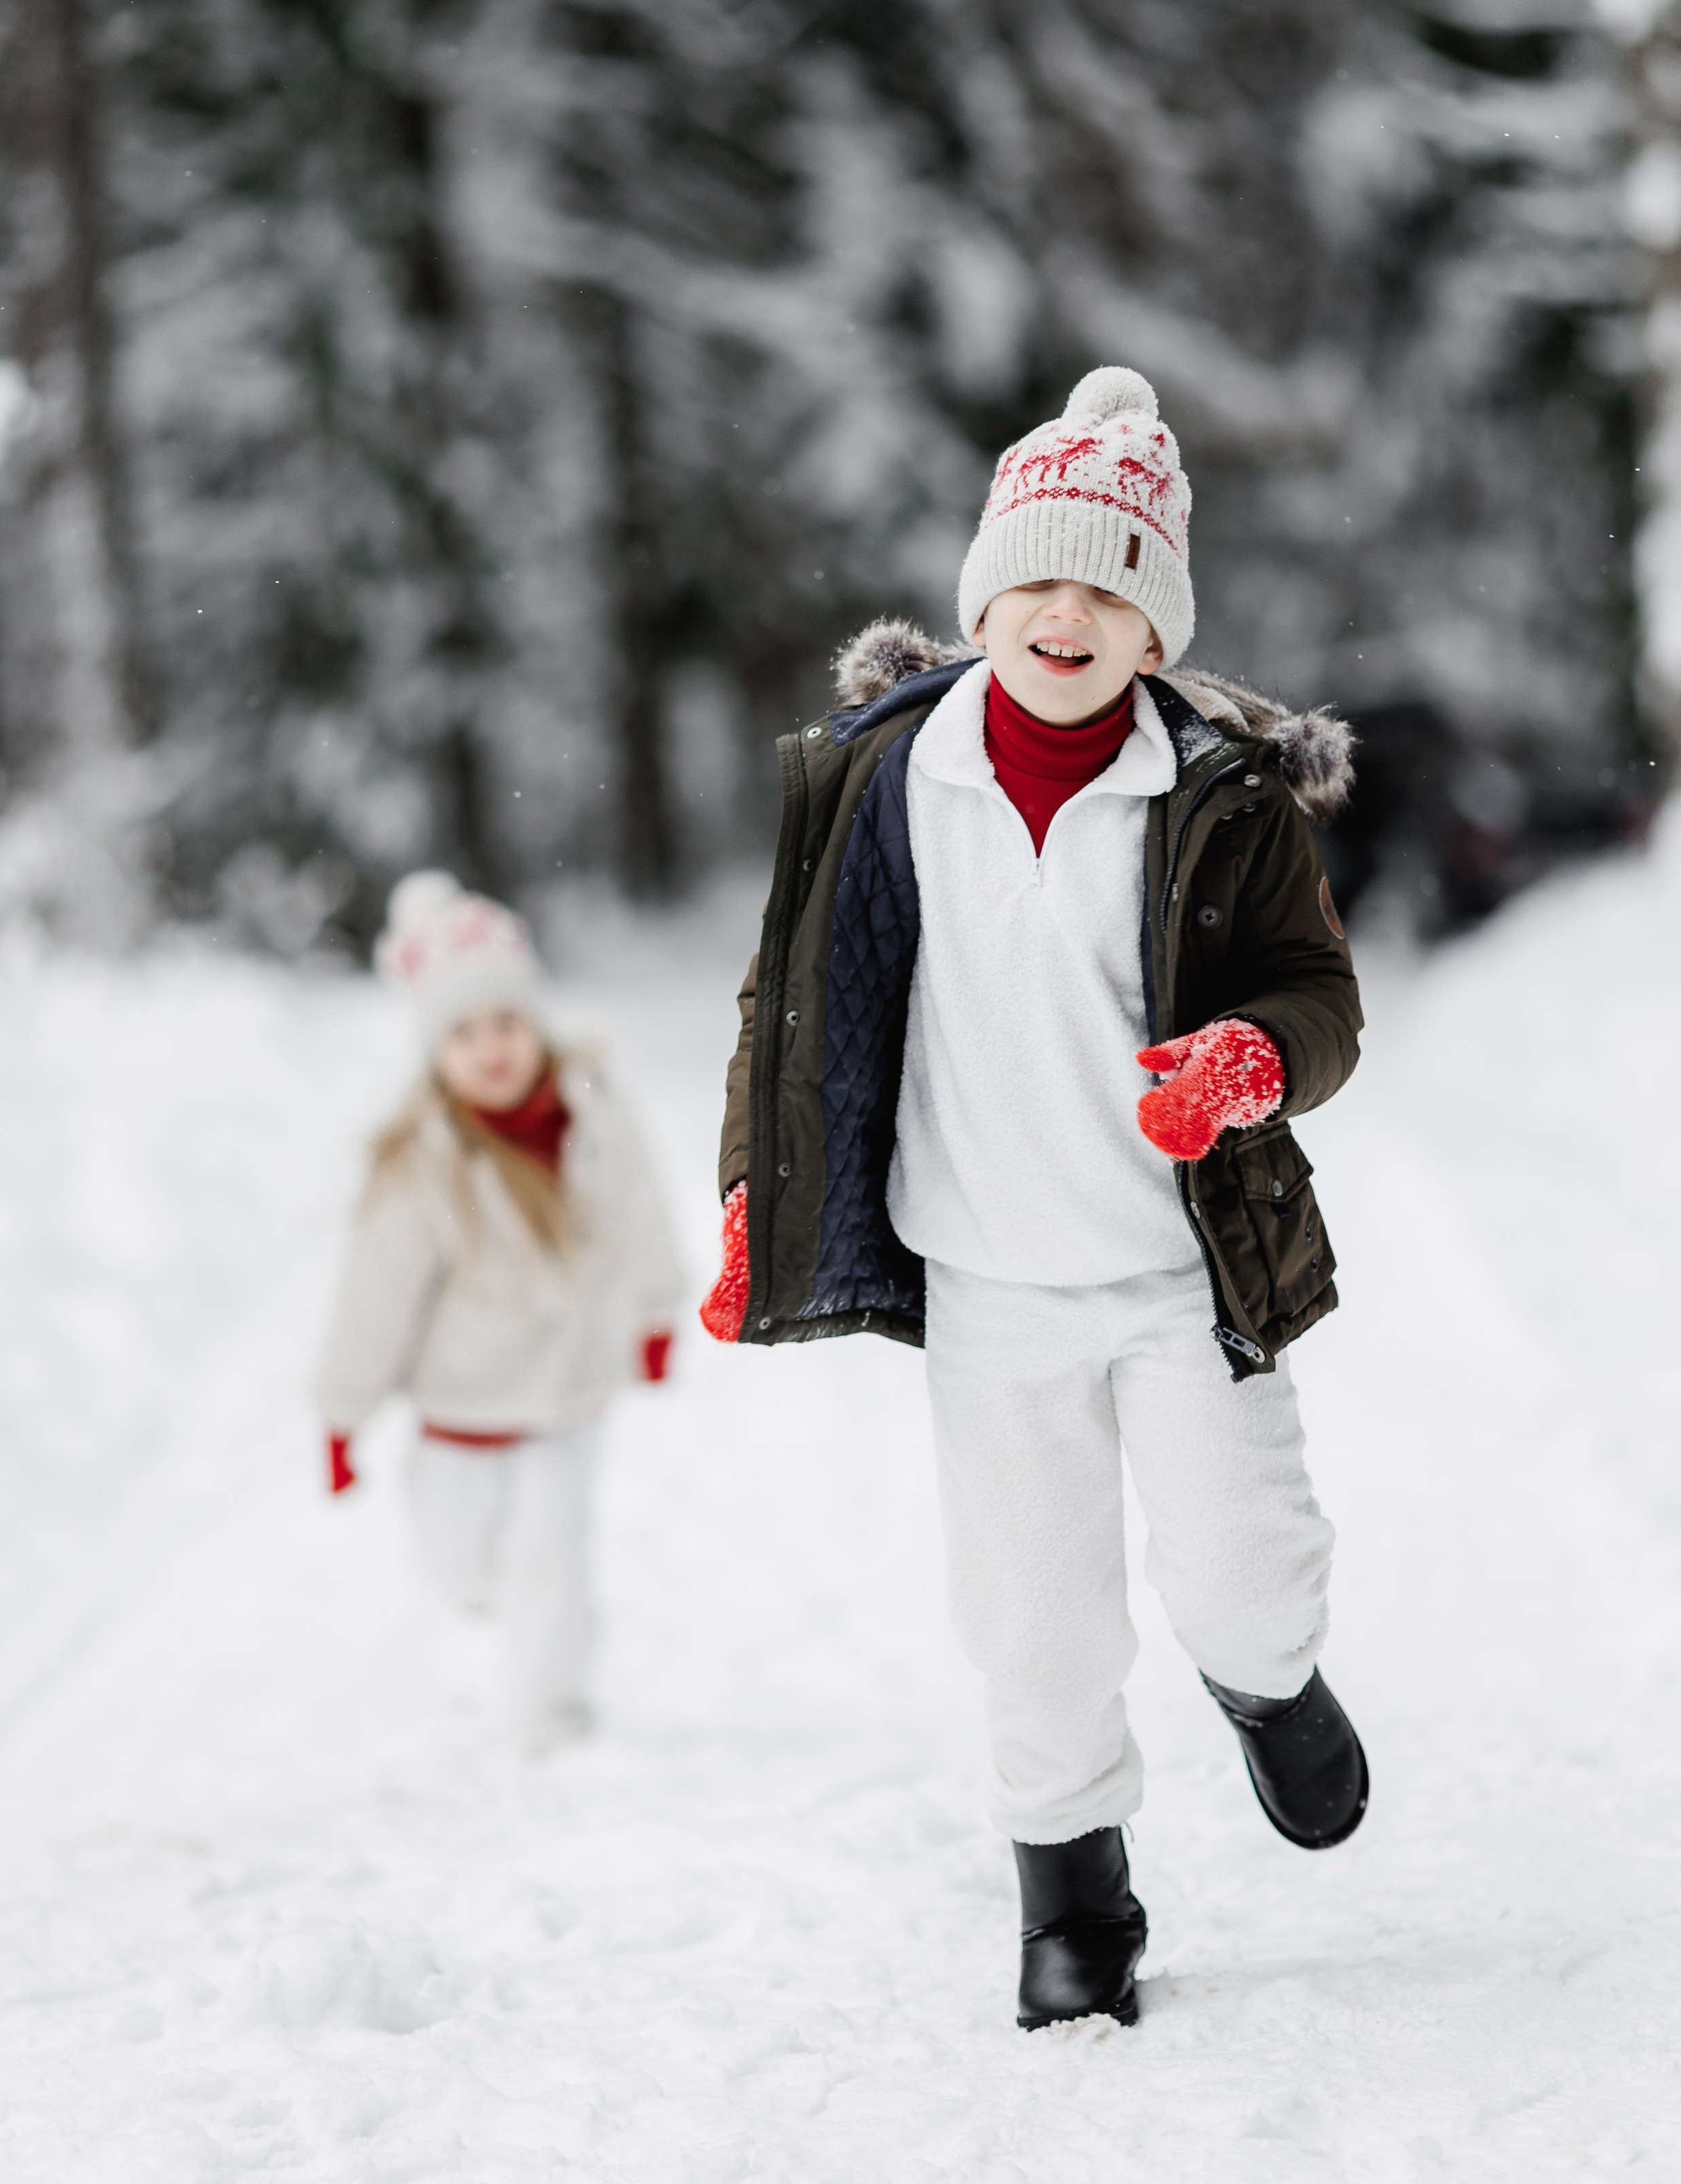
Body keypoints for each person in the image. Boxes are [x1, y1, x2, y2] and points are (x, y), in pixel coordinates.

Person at [701, 366, 1367, 2029]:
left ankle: (1264, 1678)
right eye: (1035, 583)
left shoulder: (1217, 796)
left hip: (1176, 1268)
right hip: (985, 1279)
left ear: (1154, 631)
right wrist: (749, 1199)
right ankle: (1071, 1894)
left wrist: (1247, 1061)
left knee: (1238, 1562)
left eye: (1107, 590)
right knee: (1031, 1614)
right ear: (982, 600)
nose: (1064, 616)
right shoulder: (883, 781)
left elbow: (1317, 995)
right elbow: (788, 1009)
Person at [315, 871, 683, 1754]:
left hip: (569, 1390)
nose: (492, 1049)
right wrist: (343, 1416)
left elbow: (641, 1211)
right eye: (465, 1034)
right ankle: (499, 1595)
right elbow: (375, 1297)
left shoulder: (591, 1109)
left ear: (536, 1021)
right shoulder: (423, 1163)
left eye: (507, 1023)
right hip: (461, 1409)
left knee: (550, 1558)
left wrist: (657, 1311)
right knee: (465, 1567)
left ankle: (549, 1717)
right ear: (435, 1052)